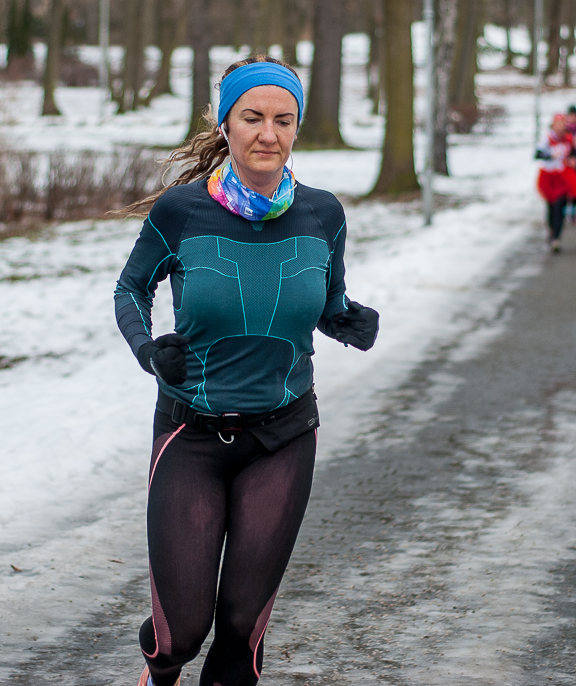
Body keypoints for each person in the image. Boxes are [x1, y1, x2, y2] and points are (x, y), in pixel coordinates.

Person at [115, 54, 380, 686]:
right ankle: (162, 667)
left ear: (297, 128)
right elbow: (130, 291)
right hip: (192, 432)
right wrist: (150, 352)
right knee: (182, 629)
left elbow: (326, 298)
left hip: (282, 435)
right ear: (227, 124)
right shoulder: (181, 213)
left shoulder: (323, 216)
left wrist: (346, 320)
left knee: (239, 630)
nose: (269, 133)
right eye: (253, 117)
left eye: (284, 120)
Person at [536, 112, 576, 252]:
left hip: (562, 176)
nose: (560, 127)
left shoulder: (569, 139)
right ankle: (551, 230)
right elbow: (537, 154)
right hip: (549, 176)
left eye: (562, 125)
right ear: (553, 125)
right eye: (558, 124)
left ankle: (556, 238)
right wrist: (550, 155)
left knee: (560, 206)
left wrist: (574, 159)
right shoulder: (546, 138)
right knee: (551, 206)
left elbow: (575, 153)